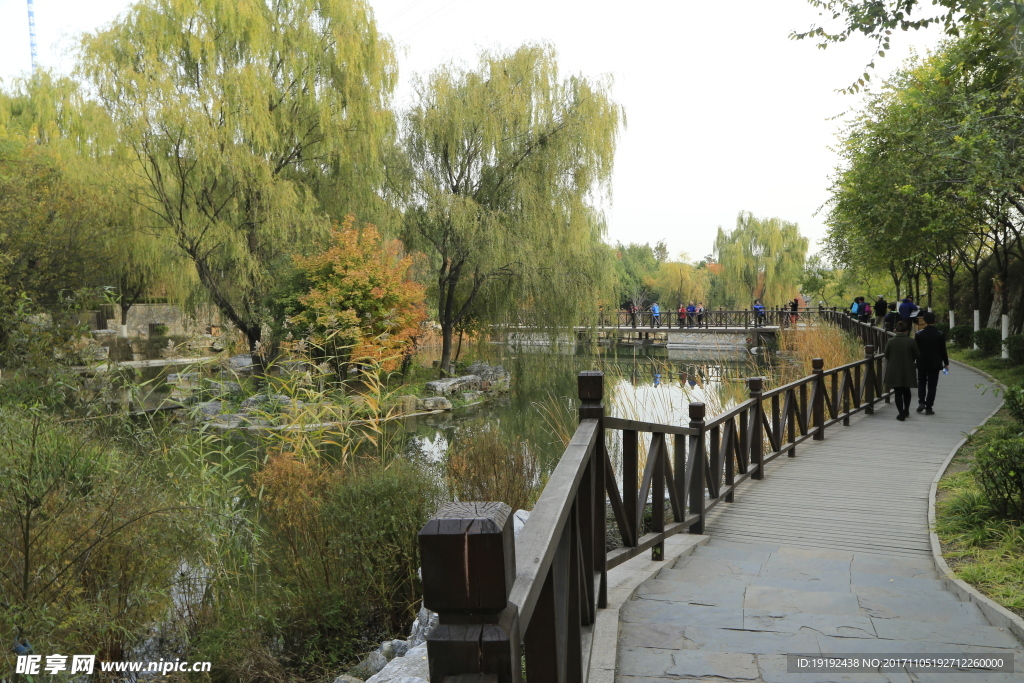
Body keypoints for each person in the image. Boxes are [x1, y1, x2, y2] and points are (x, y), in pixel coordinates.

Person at [884, 320, 921, 421]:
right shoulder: (911, 341)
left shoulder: (891, 341)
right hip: (908, 368)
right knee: (906, 390)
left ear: (896, 330)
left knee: (898, 392)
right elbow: (917, 354)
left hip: (894, 369)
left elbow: (886, 355)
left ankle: (900, 413)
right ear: (907, 331)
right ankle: (906, 410)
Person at [915, 311, 949, 415]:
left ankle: (921, 402)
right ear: (934, 320)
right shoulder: (940, 334)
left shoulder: (918, 334)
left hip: (921, 362)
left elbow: (916, 350)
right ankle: (929, 408)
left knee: (921, 383)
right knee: (932, 386)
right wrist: (946, 363)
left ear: (924, 321)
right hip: (935, 363)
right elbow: (943, 350)